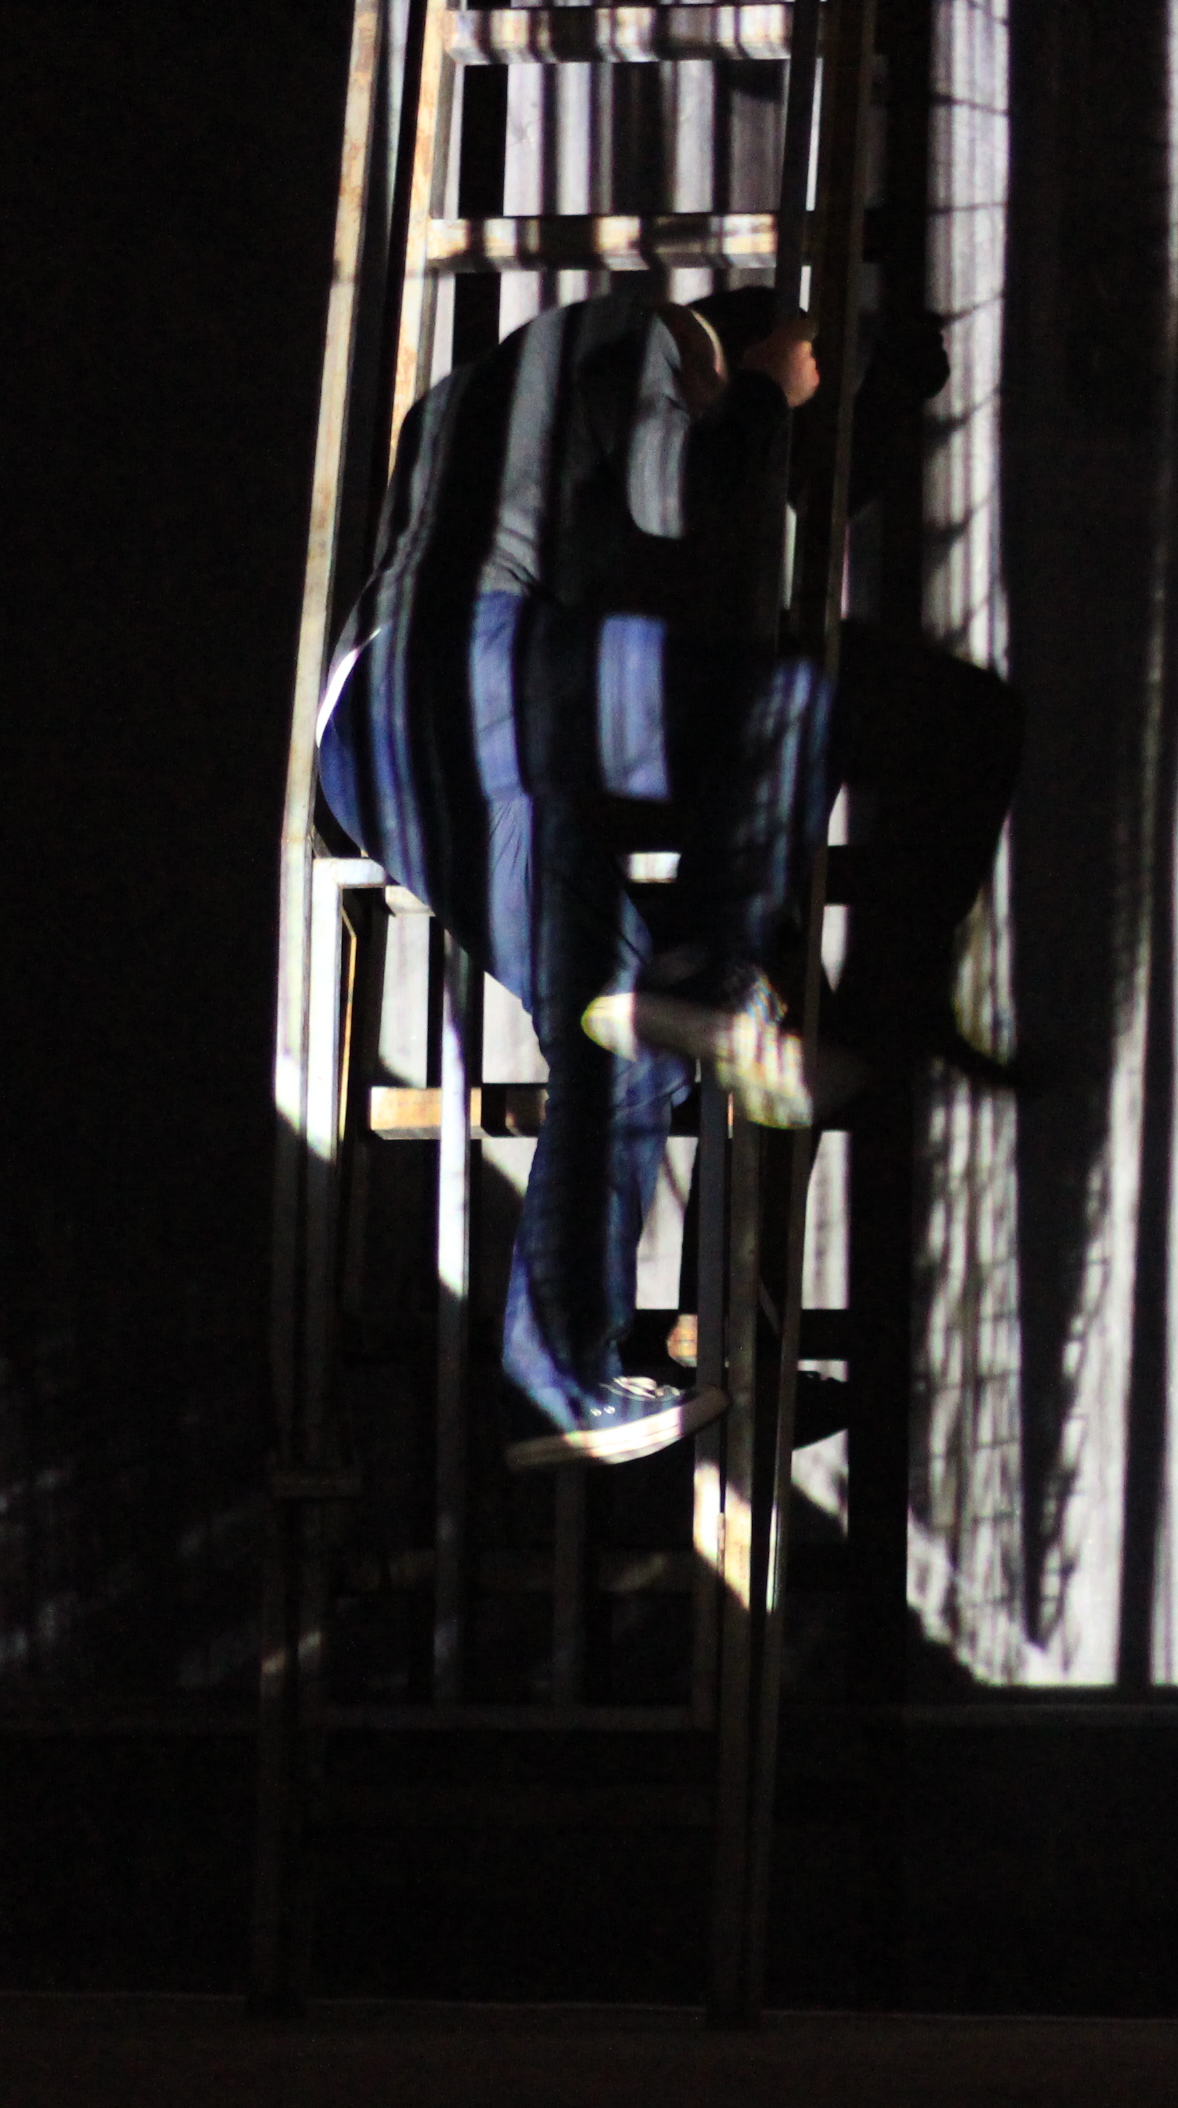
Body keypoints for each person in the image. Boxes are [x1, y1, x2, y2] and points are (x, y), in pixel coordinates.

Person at [315, 283, 829, 1471]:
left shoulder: (472, 402)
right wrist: (766, 390)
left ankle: (555, 1377)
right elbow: (678, 496)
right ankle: (722, 962)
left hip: (371, 743)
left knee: (620, 1034)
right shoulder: (647, 331)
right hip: (463, 675)